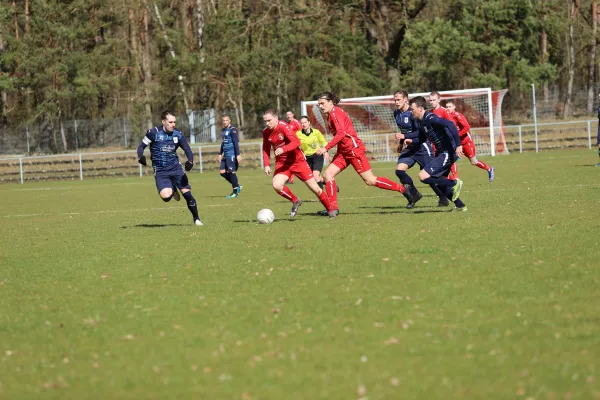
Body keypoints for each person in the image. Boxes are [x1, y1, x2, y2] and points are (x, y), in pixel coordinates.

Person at [314, 91, 413, 215]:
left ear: (330, 102)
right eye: (319, 104)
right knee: (328, 175)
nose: (320, 106)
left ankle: (403, 189)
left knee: (370, 180)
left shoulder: (335, 113)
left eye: (322, 103)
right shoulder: (331, 114)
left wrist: (325, 148)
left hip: (353, 150)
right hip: (344, 151)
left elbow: (341, 134)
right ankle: (332, 209)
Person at [262, 109, 335, 218]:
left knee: (315, 188)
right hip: (283, 164)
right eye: (265, 121)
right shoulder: (266, 132)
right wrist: (267, 164)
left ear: (276, 119)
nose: (267, 123)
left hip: (297, 161)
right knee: (276, 185)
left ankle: (331, 211)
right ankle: (296, 200)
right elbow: (265, 149)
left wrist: (284, 149)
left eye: (269, 120)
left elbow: (296, 142)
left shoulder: (284, 126)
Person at [399, 96, 467, 211]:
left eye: (412, 109)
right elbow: (420, 137)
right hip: (441, 152)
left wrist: (459, 145)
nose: (411, 111)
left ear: (420, 108)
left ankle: (454, 182)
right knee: (439, 182)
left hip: (447, 152)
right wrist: (406, 138)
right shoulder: (421, 122)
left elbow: (450, 125)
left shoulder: (430, 118)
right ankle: (460, 206)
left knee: (423, 176)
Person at [137, 111, 202, 225]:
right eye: (170, 122)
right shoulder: (153, 133)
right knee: (166, 197)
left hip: (176, 169)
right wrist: (141, 156)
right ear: (163, 122)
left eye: (174, 122)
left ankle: (196, 219)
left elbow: (187, 149)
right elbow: (141, 147)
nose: (173, 124)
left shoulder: (178, 134)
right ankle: (173, 187)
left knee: (187, 195)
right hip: (161, 171)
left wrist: (190, 161)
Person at [393, 90, 449, 208]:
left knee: (428, 176)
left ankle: (444, 197)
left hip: (422, 147)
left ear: (405, 99)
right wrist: (401, 143)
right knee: (399, 170)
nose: (396, 102)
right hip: (409, 148)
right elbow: (404, 131)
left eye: (398, 100)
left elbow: (420, 132)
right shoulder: (396, 114)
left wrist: (408, 138)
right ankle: (414, 195)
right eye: (395, 100)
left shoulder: (414, 112)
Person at [446, 100, 495, 182]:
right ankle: (455, 178)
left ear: (454, 107)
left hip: (466, 142)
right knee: (451, 159)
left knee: (473, 161)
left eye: (450, 106)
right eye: (446, 107)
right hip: (457, 144)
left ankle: (489, 169)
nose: (448, 109)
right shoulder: (447, 116)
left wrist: (457, 135)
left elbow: (467, 127)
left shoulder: (458, 116)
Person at [295, 115, 339, 192]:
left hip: (317, 156)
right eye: (302, 123)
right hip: (307, 158)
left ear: (309, 122)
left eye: (305, 122)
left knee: (315, 175)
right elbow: (294, 143)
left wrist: (325, 152)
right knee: (315, 177)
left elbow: (324, 142)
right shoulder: (298, 134)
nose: (304, 124)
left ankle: (322, 195)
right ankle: (331, 185)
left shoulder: (316, 132)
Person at [429, 91, 459, 183]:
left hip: (446, 144)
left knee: (439, 171)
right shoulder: (429, 113)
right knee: (438, 172)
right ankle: (452, 184)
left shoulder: (444, 111)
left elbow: (452, 126)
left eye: (434, 100)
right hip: (436, 144)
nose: (432, 102)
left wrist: (457, 143)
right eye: (430, 100)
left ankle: (454, 181)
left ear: (439, 100)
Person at [217, 115, 243, 198]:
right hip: (225, 155)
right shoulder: (224, 130)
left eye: (226, 120)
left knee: (232, 172)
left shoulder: (233, 130)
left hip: (231, 154)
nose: (224, 122)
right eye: (223, 120)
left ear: (229, 121)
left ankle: (235, 192)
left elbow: (236, 143)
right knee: (222, 172)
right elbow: (223, 143)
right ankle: (237, 185)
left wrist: (238, 155)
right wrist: (220, 153)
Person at [285, 111, 302, 184]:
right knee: (291, 161)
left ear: (293, 115)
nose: (288, 116)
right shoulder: (287, 124)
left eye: (289, 114)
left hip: (297, 144)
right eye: (287, 115)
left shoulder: (296, 122)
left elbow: (302, 132)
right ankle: (289, 178)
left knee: (296, 161)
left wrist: (301, 143)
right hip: (290, 145)